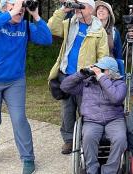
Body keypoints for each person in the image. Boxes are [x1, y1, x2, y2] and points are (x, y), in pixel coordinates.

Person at [0, 0, 52, 173]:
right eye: (16, 6)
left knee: (19, 119)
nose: (21, 10)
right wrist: (10, 12)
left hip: (14, 81)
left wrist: (36, 15)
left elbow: (47, 39)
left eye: (22, 8)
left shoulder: (25, 26)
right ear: (4, 7)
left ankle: (28, 158)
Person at [47, 0, 109, 154]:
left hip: (84, 79)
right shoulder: (70, 24)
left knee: (86, 112)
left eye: (81, 5)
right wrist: (63, 9)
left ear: (91, 9)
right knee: (67, 111)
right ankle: (69, 140)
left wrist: (97, 73)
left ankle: (85, 139)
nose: (78, 8)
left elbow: (104, 57)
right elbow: (51, 28)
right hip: (65, 76)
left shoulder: (98, 31)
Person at [60, 56, 127, 174]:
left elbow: (116, 98)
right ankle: (92, 169)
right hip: (92, 120)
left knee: (121, 139)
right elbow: (64, 86)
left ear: (110, 72)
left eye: (101, 69)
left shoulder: (120, 84)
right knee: (88, 137)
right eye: (97, 68)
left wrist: (102, 78)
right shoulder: (87, 83)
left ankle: (109, 170)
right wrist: (80, 74)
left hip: (114, 119)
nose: (97, 71)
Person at [94, 1, 124, 76]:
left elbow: (118, 54)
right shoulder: (90, 29)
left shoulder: (114, 32)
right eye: (99, 9)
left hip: (108, 70)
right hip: (92, 66)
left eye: (104, 9)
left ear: (109, 14)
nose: (100, 10)